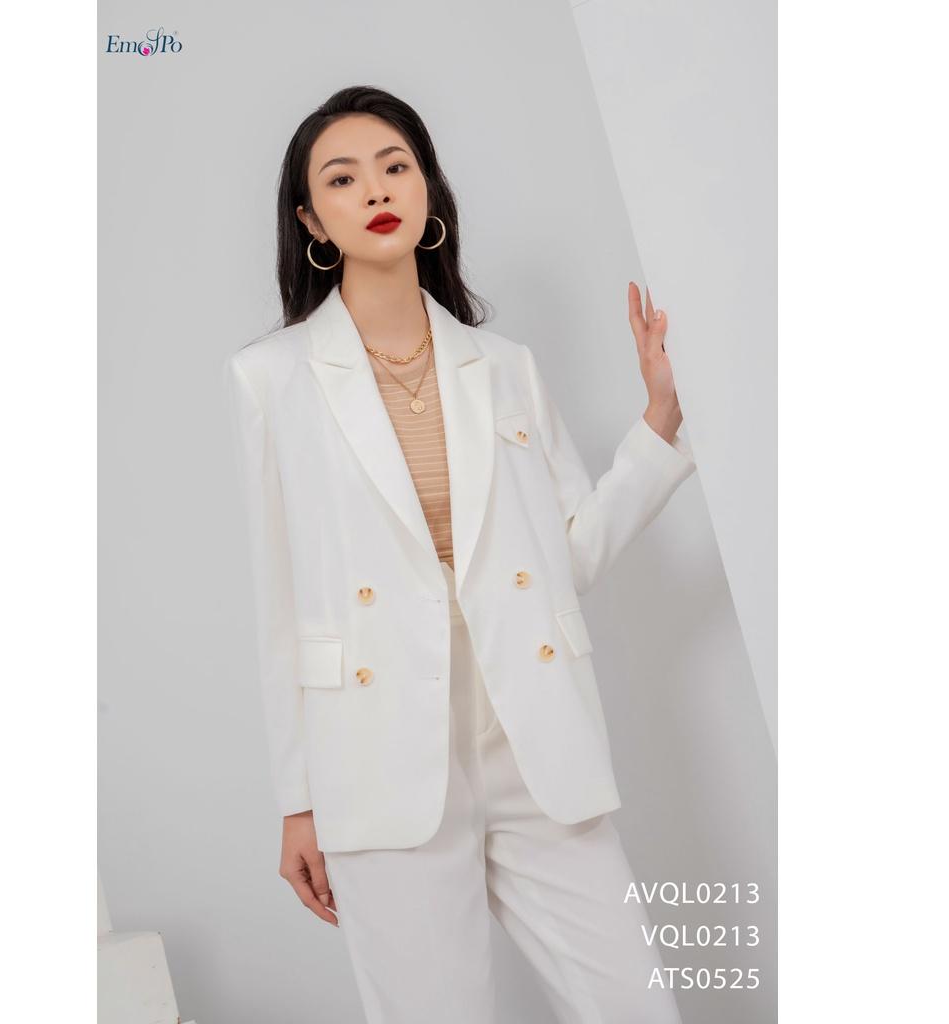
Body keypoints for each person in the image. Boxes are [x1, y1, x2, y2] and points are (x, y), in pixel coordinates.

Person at [225, 85, 696, 1024]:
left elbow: (569, 557)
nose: (376, 190)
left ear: (429, 190)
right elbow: (282, 604)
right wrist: (297, 800)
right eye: (342, 179)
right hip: (376, 753)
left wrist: (658, 424)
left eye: (395, 166)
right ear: (309, 220)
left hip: (531, 736)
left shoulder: (505, 366)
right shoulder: (271, 378)